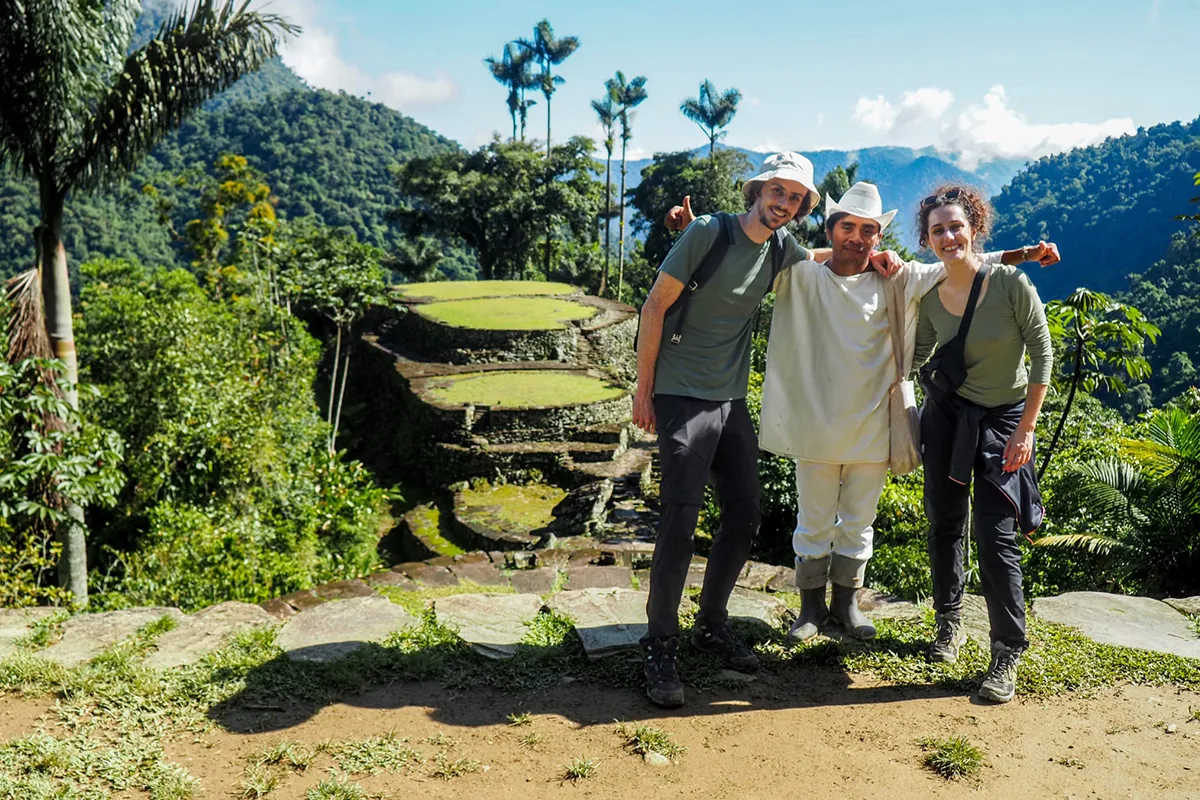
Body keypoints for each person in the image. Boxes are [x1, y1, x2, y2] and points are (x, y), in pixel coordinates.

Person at [666, 184, 1058, 647]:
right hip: (814, 424)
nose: (856, 237)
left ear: (878, 237)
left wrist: (1025, 254)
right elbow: (747, 257)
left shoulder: (897, 278)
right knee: (812, 522)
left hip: (875, 424)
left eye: (867, 230)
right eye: (847, 227)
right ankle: (809, 608)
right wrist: (695, 233)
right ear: (830, 230)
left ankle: (846, 604)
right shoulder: (799, 274)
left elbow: (962, 262)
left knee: (857, 522)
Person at [634, 152, 902, 708]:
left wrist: (876, 255)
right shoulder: (711, 231)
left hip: (730, 399)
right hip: (682, 393)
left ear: (802, 206)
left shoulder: (781, 248)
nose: (784, 203)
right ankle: (660, 644)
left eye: (795, 197)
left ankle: (710, 622)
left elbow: (825, 257)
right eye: (777, 191)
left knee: (745, 514)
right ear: (758, 191)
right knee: (680, 522)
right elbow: (654, 306)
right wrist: (644, 390)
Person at [912, 184, 1053, 704]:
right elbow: (918, 353)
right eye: (937, 230)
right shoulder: (929, 296)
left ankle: (1006, 650)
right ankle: (949, 623)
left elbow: (1042, 356)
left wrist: (1026, 430)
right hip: (947, 418)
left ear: (975, 228)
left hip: (1005, 420)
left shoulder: (1011, 283)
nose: (948, 236)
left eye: (955, 226)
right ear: (926, 241)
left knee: (996, 537)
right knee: (945, 521)